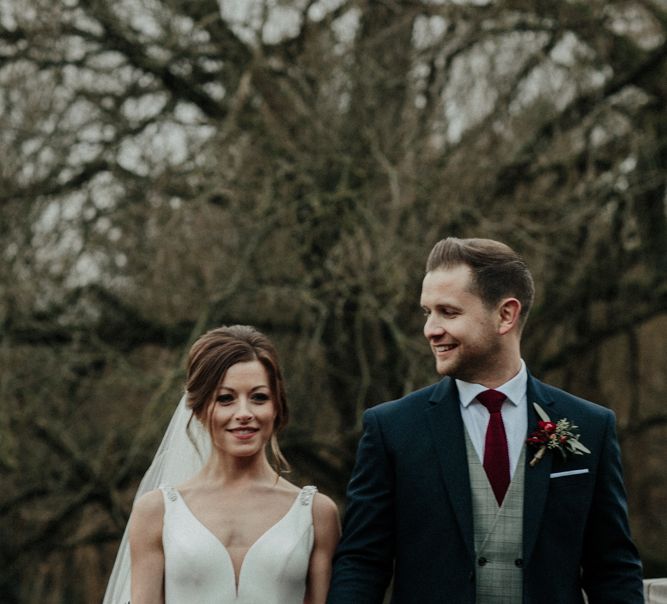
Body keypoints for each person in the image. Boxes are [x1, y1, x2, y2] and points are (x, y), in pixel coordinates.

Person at [327, 237, 644, 604]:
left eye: (448, 312)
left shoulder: (590, 426)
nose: (430, 329)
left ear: (505, 315)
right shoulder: (391, 429)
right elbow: (362, 563)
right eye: (426, 312)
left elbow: (613, 568)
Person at [104, 325, 340, 604]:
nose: (244, 413)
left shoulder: (317, 515)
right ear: (200, 408)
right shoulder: (155, 512)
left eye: (259, 397)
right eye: (226, 399)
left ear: (277, 407)